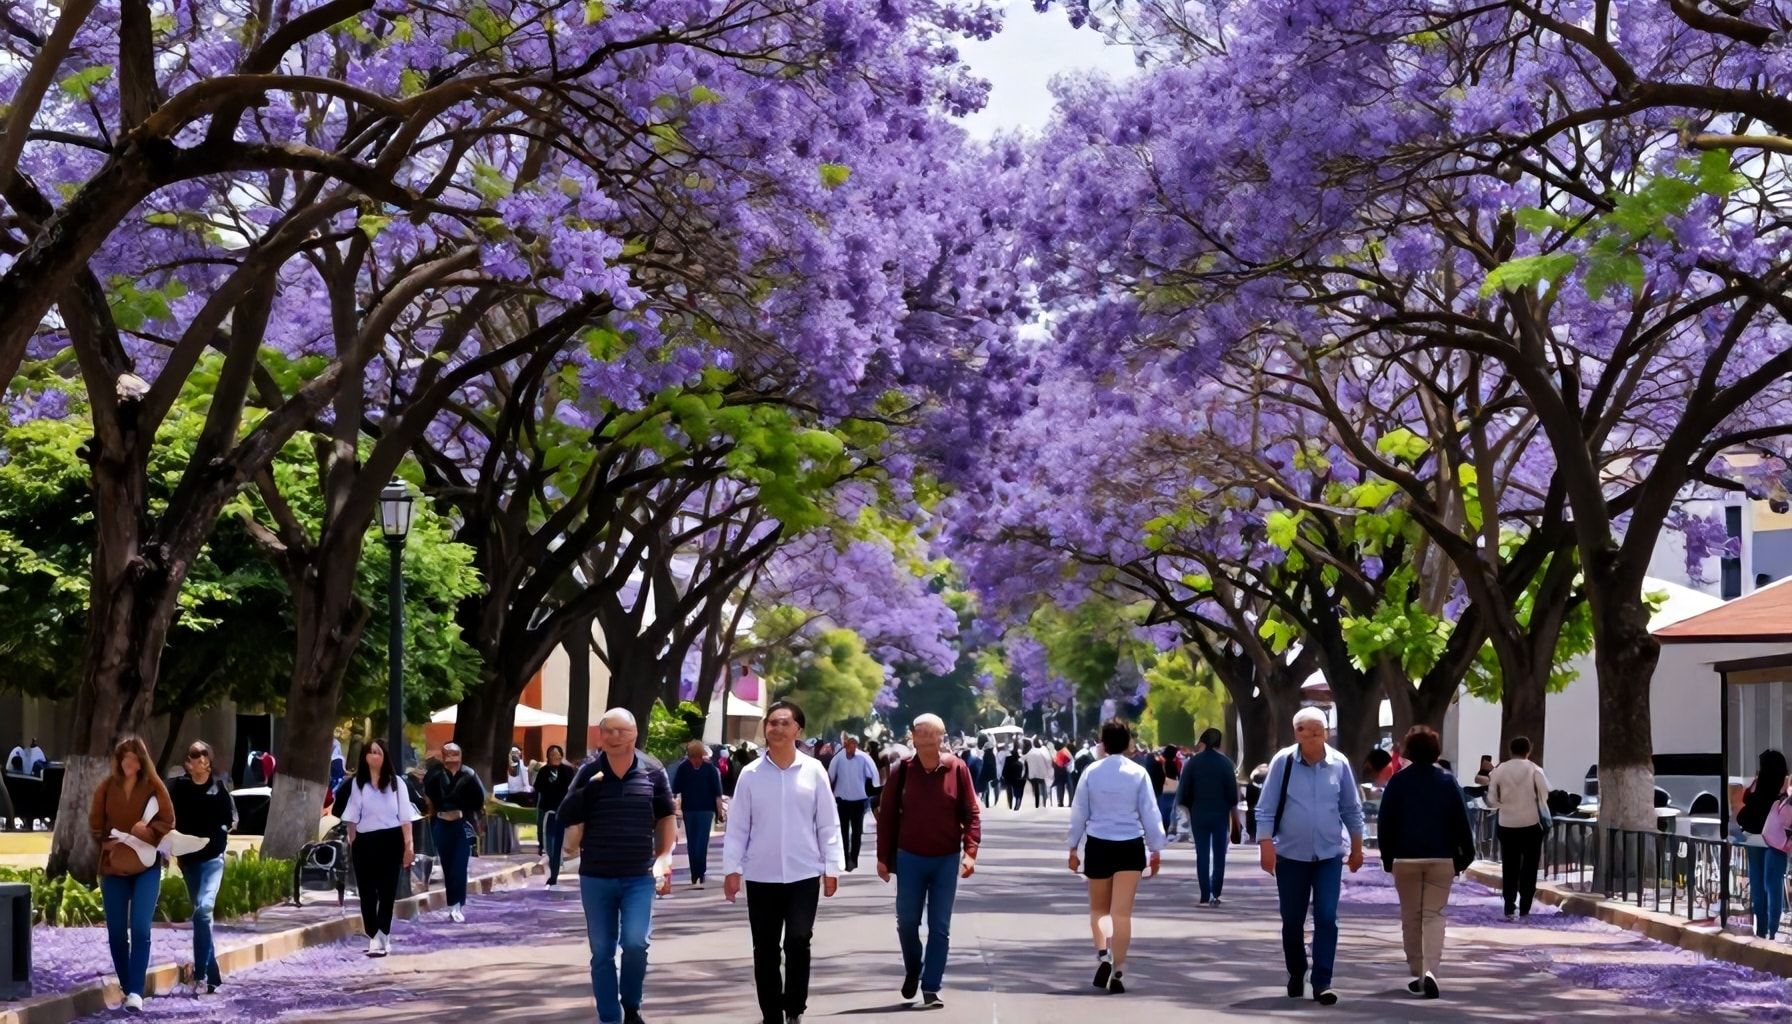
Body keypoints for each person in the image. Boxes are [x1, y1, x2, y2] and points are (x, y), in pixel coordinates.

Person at [722, 700, 843, 1024]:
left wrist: (831, 867)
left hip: (804, 873)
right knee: (765, 947)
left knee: (798, 940)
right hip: (761, 875)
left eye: (784, 723)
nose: (777, 728)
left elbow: (827, 823)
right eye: (772, 723)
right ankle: (772, 1013)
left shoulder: (814, 771)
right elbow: (737, 827)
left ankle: (794, 1007)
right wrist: (732, 868)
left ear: (798, 730)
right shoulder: (750, 775)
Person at [557, 709, 676, 1024]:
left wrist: (664, 856)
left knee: (636, 943)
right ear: (600, 735)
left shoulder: (652, 771)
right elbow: (565, 814)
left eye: (621, 731)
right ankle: (610, 1016)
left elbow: (666, 816)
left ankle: (632, 1004)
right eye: (607, 730)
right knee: (602, 951)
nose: (613, 737)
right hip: (596, 876)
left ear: (634, 734)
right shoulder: (589, 772)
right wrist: (589, 790)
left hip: (639, 875)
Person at [1255, 707, 1365, 1007]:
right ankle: (1296, 970)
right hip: (1290, 855)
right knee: (1292, 920)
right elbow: (1266, 807)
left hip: (1329, 855)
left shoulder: (1339, 764)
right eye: (1307, 730)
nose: (1314, 735)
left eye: (1319, 730)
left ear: (1327, 733)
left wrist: (1357, 847)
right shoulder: (1283, 762)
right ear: (1297, 733)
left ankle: (1322, 982)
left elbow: (1351, 808)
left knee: (1327, 917)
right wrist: (1265, 844)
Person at [875, 714, 981, 1009]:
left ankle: (931, 986)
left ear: (941, 737)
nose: (922, 735)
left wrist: (970, 852)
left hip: (945, 859)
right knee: (907, 921)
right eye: (917, 731)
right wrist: (883, 857)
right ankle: (914, 968)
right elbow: (887, 816)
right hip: (909, 857)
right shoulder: (902, 770)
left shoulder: (956, 768)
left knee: (939, 926)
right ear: (912, 737)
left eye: (928, 732)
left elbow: (971, 813)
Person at [1067, 719, 1165, 995]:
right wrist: (1155, 847)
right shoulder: (1138, 773)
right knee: (1121, 913)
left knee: (1099, 909)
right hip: (1130, 845)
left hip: (1099, 844)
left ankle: (1103, 954)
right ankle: (1119, 969)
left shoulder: (1091, 772)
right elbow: (1150, 812)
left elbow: (1079, 812)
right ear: (1128, 742)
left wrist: (1073, 847)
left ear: (1103, 742)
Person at [1376, 726, 1475, 1000]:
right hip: (1442, 857)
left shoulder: (1398, 782)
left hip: (1405, 858)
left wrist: (1387, 857)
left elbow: (1385, 823)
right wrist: (1464, 857)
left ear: (1408, 751)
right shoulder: (1447, 781)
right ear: (1435, 751)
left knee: (1411, 916)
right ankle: (1431, 969)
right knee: (1434, 915)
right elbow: (1462, 822)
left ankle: (1418, 970)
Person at [90, 735, 174, 1014]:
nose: (130, 764)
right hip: (113, 868)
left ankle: (136, 991)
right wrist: (104, 841)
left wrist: (145, 833)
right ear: (118, 760)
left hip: (146, 868)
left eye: (135, 759)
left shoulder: (153, 786)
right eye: (125, 759)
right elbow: (95, 824)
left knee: (140, 928)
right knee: (116, 933)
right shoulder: (106, 787)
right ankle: (129, 987)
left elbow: (167, 821)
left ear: (142, 762)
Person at [340, 738, 419, 957]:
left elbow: (405, 817)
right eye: (370, 752)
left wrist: (409, 846)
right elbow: (352, 815)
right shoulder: (358, 784)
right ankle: (373, 933)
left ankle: (383, 933)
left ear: (384, 757)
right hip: (364, 841)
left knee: (386, 891)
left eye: (378, 752)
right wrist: (352, 838)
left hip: (390, 839)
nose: (374, 756)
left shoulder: (396, 783)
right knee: (366, 892)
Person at [169, 740, 237, 990]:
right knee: (201, 915)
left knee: (204, 909)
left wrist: (219, 834)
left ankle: (200, 973)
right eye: (196, 755)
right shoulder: (177, 788)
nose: (202, 759)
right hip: (189, 861)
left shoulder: (218, 788)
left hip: (212, 860)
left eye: (205, 755)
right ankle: (212, 973)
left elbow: (229, 820)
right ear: (188, 763)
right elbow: (166, 816)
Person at [1486, 735, 1551, 920]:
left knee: (1510, 865)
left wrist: (1503, 804)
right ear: (1528, 750)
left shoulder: (1499, 770)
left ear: (1510, 750)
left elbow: (1491, 799)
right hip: (1531, 823)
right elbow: (1545, 792)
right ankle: (1525, 906)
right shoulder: (1535, 769)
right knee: (1530, 866)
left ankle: (1509, 905)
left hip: (1506, 823)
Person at [424, 742, 486, 922]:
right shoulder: (435, 775)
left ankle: (457, 906)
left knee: (459, 866)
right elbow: (429, 797)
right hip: (441, 824)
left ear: (460, 756)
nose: (451, 758)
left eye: (455, 754)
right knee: (448, 866)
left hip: (461, 825)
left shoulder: (468, 775)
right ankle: (453, 903)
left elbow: (478, 800)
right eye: (448, 754)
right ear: (443, 756)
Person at [1178, 728, 1239, 907]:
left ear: (1203, 742)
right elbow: (1232, 795)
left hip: (1199, 813)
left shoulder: (1193, 763)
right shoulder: (1226, 763)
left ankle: (1205, 893)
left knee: (1202, 853)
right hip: (1220, 815)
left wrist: (1188, 810)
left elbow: (1184, 790)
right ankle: (1216, 891)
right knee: (1220, 854)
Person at [1734, 748, 1790, 939]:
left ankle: (1761, 930)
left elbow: (1743, 811)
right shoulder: (1782, 792)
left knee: (1758, 885)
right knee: (1773, 885)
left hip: (1754, 839)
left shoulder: (1757, 788)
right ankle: (1773, 932)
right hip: (1776, 842)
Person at [671, 740, 724, 888]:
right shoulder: (693, 768)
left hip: (699, 810)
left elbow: (717, 793)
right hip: (696, 810)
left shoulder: (701, 769)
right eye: (693, 757)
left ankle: (698, 873)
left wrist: (719, 812)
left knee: (697, 842)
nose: (695, 760)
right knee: (696, 842)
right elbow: (676, 788)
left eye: (697, 756)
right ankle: (697, 873)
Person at [826, 735, 880, 873]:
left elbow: (872, 775)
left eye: (854, 745)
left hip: (858, 800)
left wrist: (873, 786)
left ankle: (854, 859)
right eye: (850, 745)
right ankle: (845, 858)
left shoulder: (863, 758)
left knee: (857, 831)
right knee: (843, 831)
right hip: (842, 800)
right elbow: (830, 776)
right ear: (845, 745)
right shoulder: (838, 759)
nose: (852, 748)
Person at [534, 745, 576, 886]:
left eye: (557, 754)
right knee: (549, 846)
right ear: (548, 757)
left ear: (561, 756)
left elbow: (573, 790)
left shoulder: (567, 771)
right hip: (547, 812)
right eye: (552, 754)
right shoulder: (543, 771)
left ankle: (554, 875)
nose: (555, 757)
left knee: (557, 845)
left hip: (562, 812)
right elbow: (538, 790)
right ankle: (549, 858)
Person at [1024, 738, 1053, 809]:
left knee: (1036, 788)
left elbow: (1024, 758)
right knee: (1043, 787)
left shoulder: (1031, 751)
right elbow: (1048, 760)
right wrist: (1049, 770)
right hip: (1042, 773)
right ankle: (1044, 802)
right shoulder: (1043, 750)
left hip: (1033, 774)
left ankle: (1037, 802)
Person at [977, 742, 999, 807]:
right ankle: (991, 802)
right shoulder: (992, 755)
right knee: (992, 789)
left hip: (986, 774)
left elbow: (985, 766)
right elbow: (993, 766)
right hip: (992, 774)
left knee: (986, 790)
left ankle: (986, 803)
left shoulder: (986, 755)